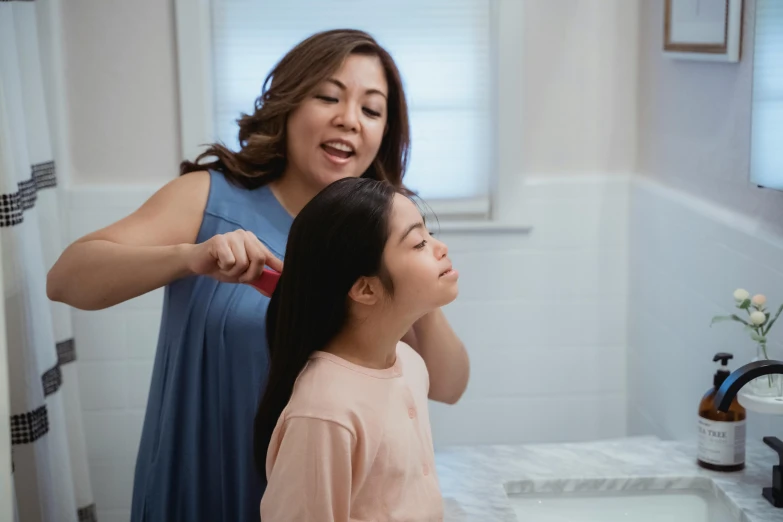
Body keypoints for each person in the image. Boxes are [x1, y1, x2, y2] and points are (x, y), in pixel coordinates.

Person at [46, 29, 470, 522]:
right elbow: (66, 279)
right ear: (287, 104)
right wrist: (190, 257)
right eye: (328, 96)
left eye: (371, 110)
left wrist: (419, 280)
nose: (349, 120)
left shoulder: (376, 243)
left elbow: (447, 384)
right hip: (205, 482)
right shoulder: (208, 198)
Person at [255, 177, 458, 520]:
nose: (441, 248)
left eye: (430, 235)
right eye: (419, 243)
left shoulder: (410, 364)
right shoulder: (324, 412)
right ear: (365, 289)